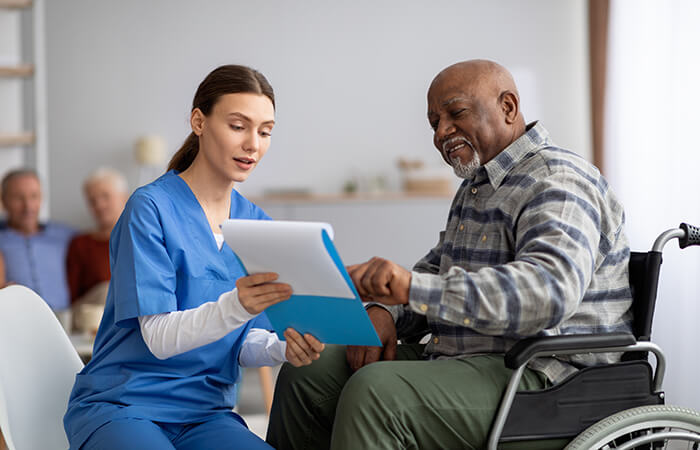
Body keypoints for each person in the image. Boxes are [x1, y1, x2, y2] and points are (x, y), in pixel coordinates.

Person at [266, 59, 633, 449]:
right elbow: (437, 271)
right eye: (433, 122)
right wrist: (383, 311)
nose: (442, 132)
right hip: (465, 360)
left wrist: (409, 287)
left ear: (508, 107)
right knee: (309, 372)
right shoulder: (478, 185)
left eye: (455, 113)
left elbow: (548, 292)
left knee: (376, 393)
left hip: (547, 378)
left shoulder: (558, 179)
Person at [63, 64, 325, 450]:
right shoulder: (149, 208)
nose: (253, 144)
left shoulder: (258, 225)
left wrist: (282, 348)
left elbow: (243, 339)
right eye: (239, 126)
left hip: (205, 415)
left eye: (265, 131)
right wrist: (237, 304)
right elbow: (158, 339)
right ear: (199, 122)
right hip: (125, 405)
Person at [0, 169, 75, 310]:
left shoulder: (64, 235)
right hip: (17, 317)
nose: (28, 206)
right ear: (3, 200)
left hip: (64, 319)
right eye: (18, 198)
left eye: (34, 196)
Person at [66, 168, 129, 333]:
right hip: (90, 318)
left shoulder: (143, 239)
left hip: (134, 315)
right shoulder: (80, 244)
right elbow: (72, 298)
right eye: (92, 201)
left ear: (124, 197)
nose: (99, 205)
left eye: (105, 197)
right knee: (108, 290)